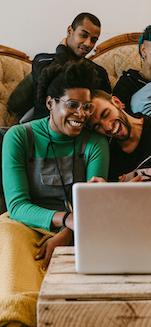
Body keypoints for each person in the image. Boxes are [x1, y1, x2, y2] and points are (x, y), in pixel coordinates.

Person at [0, 60, 109, 325]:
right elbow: (16, 205)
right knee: (6, 230)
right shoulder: (19, 136)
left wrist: (68, 233)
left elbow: (95, 204)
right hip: (27, 222)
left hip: (83, 225)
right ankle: (17, 316)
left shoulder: (95, 143)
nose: (81, 114)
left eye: (86, 107)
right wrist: (64, 220)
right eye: (72, 105)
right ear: (50, 103)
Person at [7, 12, 111, 121]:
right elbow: (56, 79)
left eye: (93, 40)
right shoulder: (42, 61)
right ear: (70, 31)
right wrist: (61, 51)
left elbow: (106, 106)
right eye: (83, 35)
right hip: (42, 128)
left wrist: (61, 50)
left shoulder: (98, 72)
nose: (88, 44)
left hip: (80, 129)